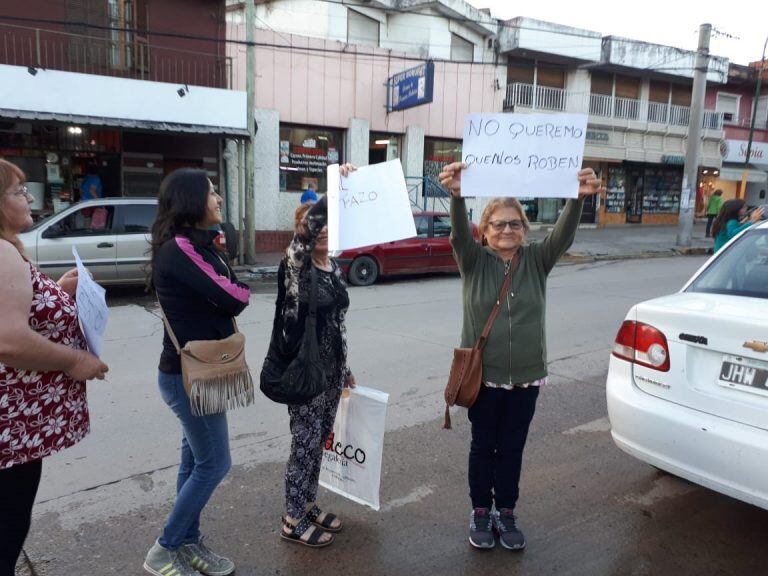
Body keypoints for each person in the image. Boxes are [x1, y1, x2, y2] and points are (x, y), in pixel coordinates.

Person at [438, 162, 602, 552]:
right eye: (498, 224)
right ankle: (481, 511)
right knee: (483, 446)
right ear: (485, 230)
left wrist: (576, 200)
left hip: (526, 377)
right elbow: (459, 233)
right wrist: (457, 196)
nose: (506, 230)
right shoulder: (473, 260)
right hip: (484, 377)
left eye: (514, 224)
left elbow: (563, 236)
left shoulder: (537, 261)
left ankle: (506, 511)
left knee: (512, 448)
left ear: (524, 230)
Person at [0, 158, 108, 573]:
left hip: (15, 430)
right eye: (17, 191)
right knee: (7, 529)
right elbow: (9, 338)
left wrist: (59, 291)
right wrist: (75, 360)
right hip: (10, 431)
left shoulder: (11, 253)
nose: (29, 198)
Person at [144, 169, 251, 576]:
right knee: (215, 464)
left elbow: (229, 290)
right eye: (211, 193)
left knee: (194, 464)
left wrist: (225, 279)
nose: (219, 198)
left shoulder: (202, 246)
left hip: (202, 373)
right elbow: (235, 296)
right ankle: (164, 548)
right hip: (187, 376)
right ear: (191, 200)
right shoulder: (180, 249)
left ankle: (187, 543)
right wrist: (227, 290)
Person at [269, 164, 356, 548]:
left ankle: (308, 504)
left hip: (331, 370)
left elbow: (336, 321)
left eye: (327, 226)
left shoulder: (333, 265)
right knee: (303, 443)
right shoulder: (295, 266)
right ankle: (292, 518)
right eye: (314, 227)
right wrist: (334, 189)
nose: (321, 232)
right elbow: (306, 233)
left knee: (319, 439)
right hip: (304, 372)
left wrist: (346, 366)